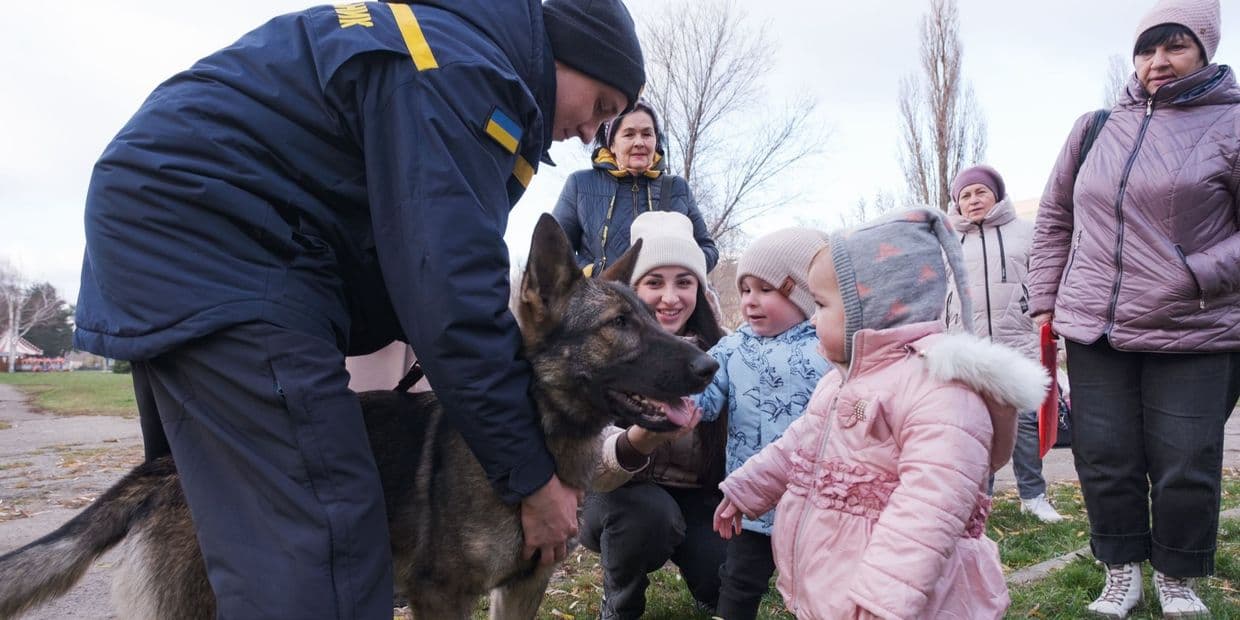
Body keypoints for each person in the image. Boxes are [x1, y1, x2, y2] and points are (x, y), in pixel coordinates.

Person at [71, 1, 645, 617]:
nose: (593, 133)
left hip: (169, 228)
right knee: (329, 540)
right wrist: (532, 480)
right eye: (602, 108)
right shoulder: (465, 73)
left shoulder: (445, 46)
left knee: (212, 529)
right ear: (570, 55)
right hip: (220, 243)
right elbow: (451, 293)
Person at [714, 209, 1048, 619]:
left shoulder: (940, 392)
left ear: (872, 309)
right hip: (841, 581)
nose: (813, 317)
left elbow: (929, 509)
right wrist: (746, 489)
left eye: (821, 304)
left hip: (911, 600)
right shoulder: (842, 381)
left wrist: (882, 600)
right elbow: (799, 445)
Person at [1028, 0, 1240, 616]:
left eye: (1175, 46)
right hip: (1097, 329)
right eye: (1148, 49)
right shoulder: (1095, 127)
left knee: (1184, 463)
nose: (1158, 62)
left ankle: (1177, 576)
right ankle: (1121, 571)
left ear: (1206, 49)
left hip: (1194, 326)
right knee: (1104, 457)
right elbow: (1055, 219)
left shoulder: (1232, 124)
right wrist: (1046, 299)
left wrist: (1194, 274)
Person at [582, 211, 728, 620]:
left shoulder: (725, 352)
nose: (670, 297)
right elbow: (589, 463)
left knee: (721, 577)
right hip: (622, 497)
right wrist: (637, 441)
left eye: (684, 282)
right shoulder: (599, 355)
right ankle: (620, 605)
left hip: (697, 494)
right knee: (648, 517)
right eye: (653, 282)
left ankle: (704, 572)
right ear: (631, 290)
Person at [693, 228, 829, 620]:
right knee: (739, 580)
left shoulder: (826, 347)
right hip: (749, 501)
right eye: (746, 289)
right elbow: (706, 396)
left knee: (819, 583)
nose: (751, 301)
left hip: (813, 503)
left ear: (801, 292)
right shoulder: (733, 348)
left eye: (765, 289)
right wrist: (683, 407)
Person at [947, 164, 1064, 523]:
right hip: (970, 349)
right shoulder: (946, 240)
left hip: (1019, 342)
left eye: (980, 192)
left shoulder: (1026, 233)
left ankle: (1033, 496)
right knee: (976, 426)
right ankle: (981, 498)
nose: (973, 200)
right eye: (965, 195)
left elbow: (1047, 279)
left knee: (1026, 424)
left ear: (997, 194)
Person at [552, 100, 718, 276]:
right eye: (629, 135)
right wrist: (591, 275)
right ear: (612, 145)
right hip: (601, 300)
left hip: (663, 302)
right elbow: (553, 250)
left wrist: (678, 271)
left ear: (656, 141)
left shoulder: (677, 188)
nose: (639, 142)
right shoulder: (580, 184)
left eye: (647, 134)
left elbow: (708, 250)